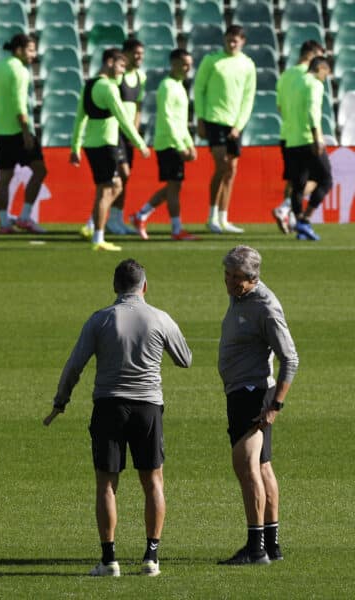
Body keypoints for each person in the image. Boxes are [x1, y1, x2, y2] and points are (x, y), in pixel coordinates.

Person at [44, 258, 192, 577]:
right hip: (148, 407)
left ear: (114, 286)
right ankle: (151, 557)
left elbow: (74, 366)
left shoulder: (100, 320)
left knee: (106, 484)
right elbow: (185, 359)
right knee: (153, 481)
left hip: (109, 407)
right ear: (145, 286)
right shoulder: (159, 318)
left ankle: (109, 560)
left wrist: (61, 401)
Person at [218, 246, 298, 565]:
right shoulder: (241, 297)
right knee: (262, 468)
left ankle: (255, 549)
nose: (230, 283)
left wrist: (275, 404)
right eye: (227, 275)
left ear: (253, 278)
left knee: (246, 467)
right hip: (242, 392)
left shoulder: (265, 306)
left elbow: (290, 358)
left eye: (237, 278)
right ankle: (272, 546)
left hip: (252, 394)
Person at [71, 49, 150, 252]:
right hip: (106, 144)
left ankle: (93, 228)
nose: (123, 71)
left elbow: (80, 118)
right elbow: (123, 118)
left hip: (91, 144)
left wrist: (76, 147)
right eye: (121, 65)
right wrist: (140, 143)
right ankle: (98, 236)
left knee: (108, 188)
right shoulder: (108, 88)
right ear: (109, 62)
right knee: (110, 188)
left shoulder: (88, 85)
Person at [130, 49, 198, 241]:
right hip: (168, 143)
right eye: (184, 64)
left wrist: (190, 144)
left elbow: (181, 121)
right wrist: (180, 146)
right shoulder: (167, 86)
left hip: (174, 142)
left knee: (173, 186)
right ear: (174, 63)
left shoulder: (179, 86)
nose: (188, 68)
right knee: (174, 186)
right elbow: (168, 119)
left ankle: (141, 215)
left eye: (189, 64)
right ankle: (176, 228)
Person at [194, 25, 256, 234]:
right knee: (221, 166)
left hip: (234, 123)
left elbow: (248, 97)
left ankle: (224, 217)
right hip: (214, 119)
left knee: (231, 171)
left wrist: (239, 124)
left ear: (243, 41)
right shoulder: (212, 60)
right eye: (229, 40)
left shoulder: (248, 64)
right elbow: (199, 89)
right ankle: (211, 216)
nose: (232, 43)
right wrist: (200, 118)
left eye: (236, 40)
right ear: (224, 40)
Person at [0, 33, 47, 233]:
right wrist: (25, 131)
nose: (34, 54)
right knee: (40, 170)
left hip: (0, 129)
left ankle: (4, 222)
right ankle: (24, 217)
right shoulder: (20, 71)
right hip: (18, 129)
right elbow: (19, 103)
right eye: (31, 50)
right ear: (19, 49)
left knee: (5, 177)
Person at [272, 40, 324, 235]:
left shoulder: (285, 75)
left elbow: (279, 107)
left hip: (287, 134)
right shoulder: (310, 76)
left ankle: (292, 215)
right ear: (312, 54)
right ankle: (286, 208)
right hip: (305, 135)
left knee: (295, 180)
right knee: (319, 178)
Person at [284, 56, 332, 241]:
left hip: (291, 140)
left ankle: (300, 226)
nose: (325, 78)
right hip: (307, 139)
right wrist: (317, 138)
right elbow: (313, 111)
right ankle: (305, 219)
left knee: (298, 185)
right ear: (320, 67)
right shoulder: (314, 84)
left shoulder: (295, 82)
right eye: (325, 73)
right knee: (326, 179)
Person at [105, 38, 147, 235]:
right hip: (116, 133)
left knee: (125, 178)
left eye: (141, 54)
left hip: (129, 134)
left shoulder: (140, 77)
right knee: (121, 175)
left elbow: (137, 107)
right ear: (126, 54)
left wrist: (135, 131)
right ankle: (98, 220)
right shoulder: (118, 78)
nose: (139, 57)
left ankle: (116, 219)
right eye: (136, 53)